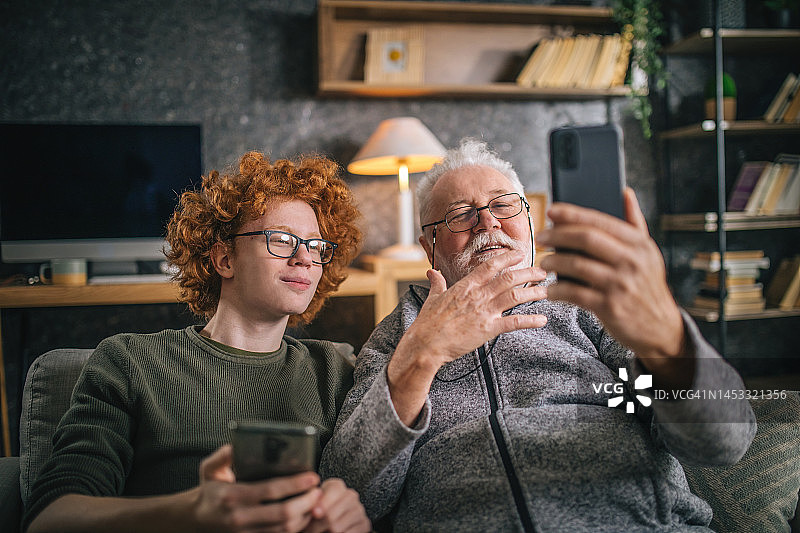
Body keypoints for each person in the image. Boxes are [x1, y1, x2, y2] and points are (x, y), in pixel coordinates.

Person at [319, 139, 756, 532]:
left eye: (503, 205)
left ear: (529, 222)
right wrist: (421, 356)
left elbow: (726, 440)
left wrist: (669, 344)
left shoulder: (589, 303)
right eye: (460, 214)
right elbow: (355, 493)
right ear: (428, 247)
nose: (487, 222)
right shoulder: (397, 337)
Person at [24, 151, 371, 533]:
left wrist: (354, 515)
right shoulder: (129, 362)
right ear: (224, 259)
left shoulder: (337, 369)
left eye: (317, 246)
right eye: (283, 240)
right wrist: (191, 512)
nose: (306, 258)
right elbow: (48, 518)